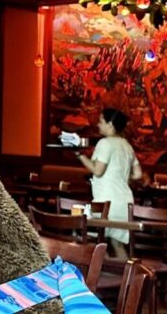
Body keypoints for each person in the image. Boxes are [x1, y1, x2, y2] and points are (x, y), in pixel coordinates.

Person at [61, 108, 142, 258]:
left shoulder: (104, 143)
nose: (98, 125)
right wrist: (119, 177)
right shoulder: (127, 146)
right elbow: (138, 174)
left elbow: (98, 171)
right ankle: (127, 278)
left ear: (110, 124)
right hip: (125, 202)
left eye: (101, 121)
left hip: (107, 203)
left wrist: (79, 155)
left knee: (92, 242)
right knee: (117, 245)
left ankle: (96, 275)